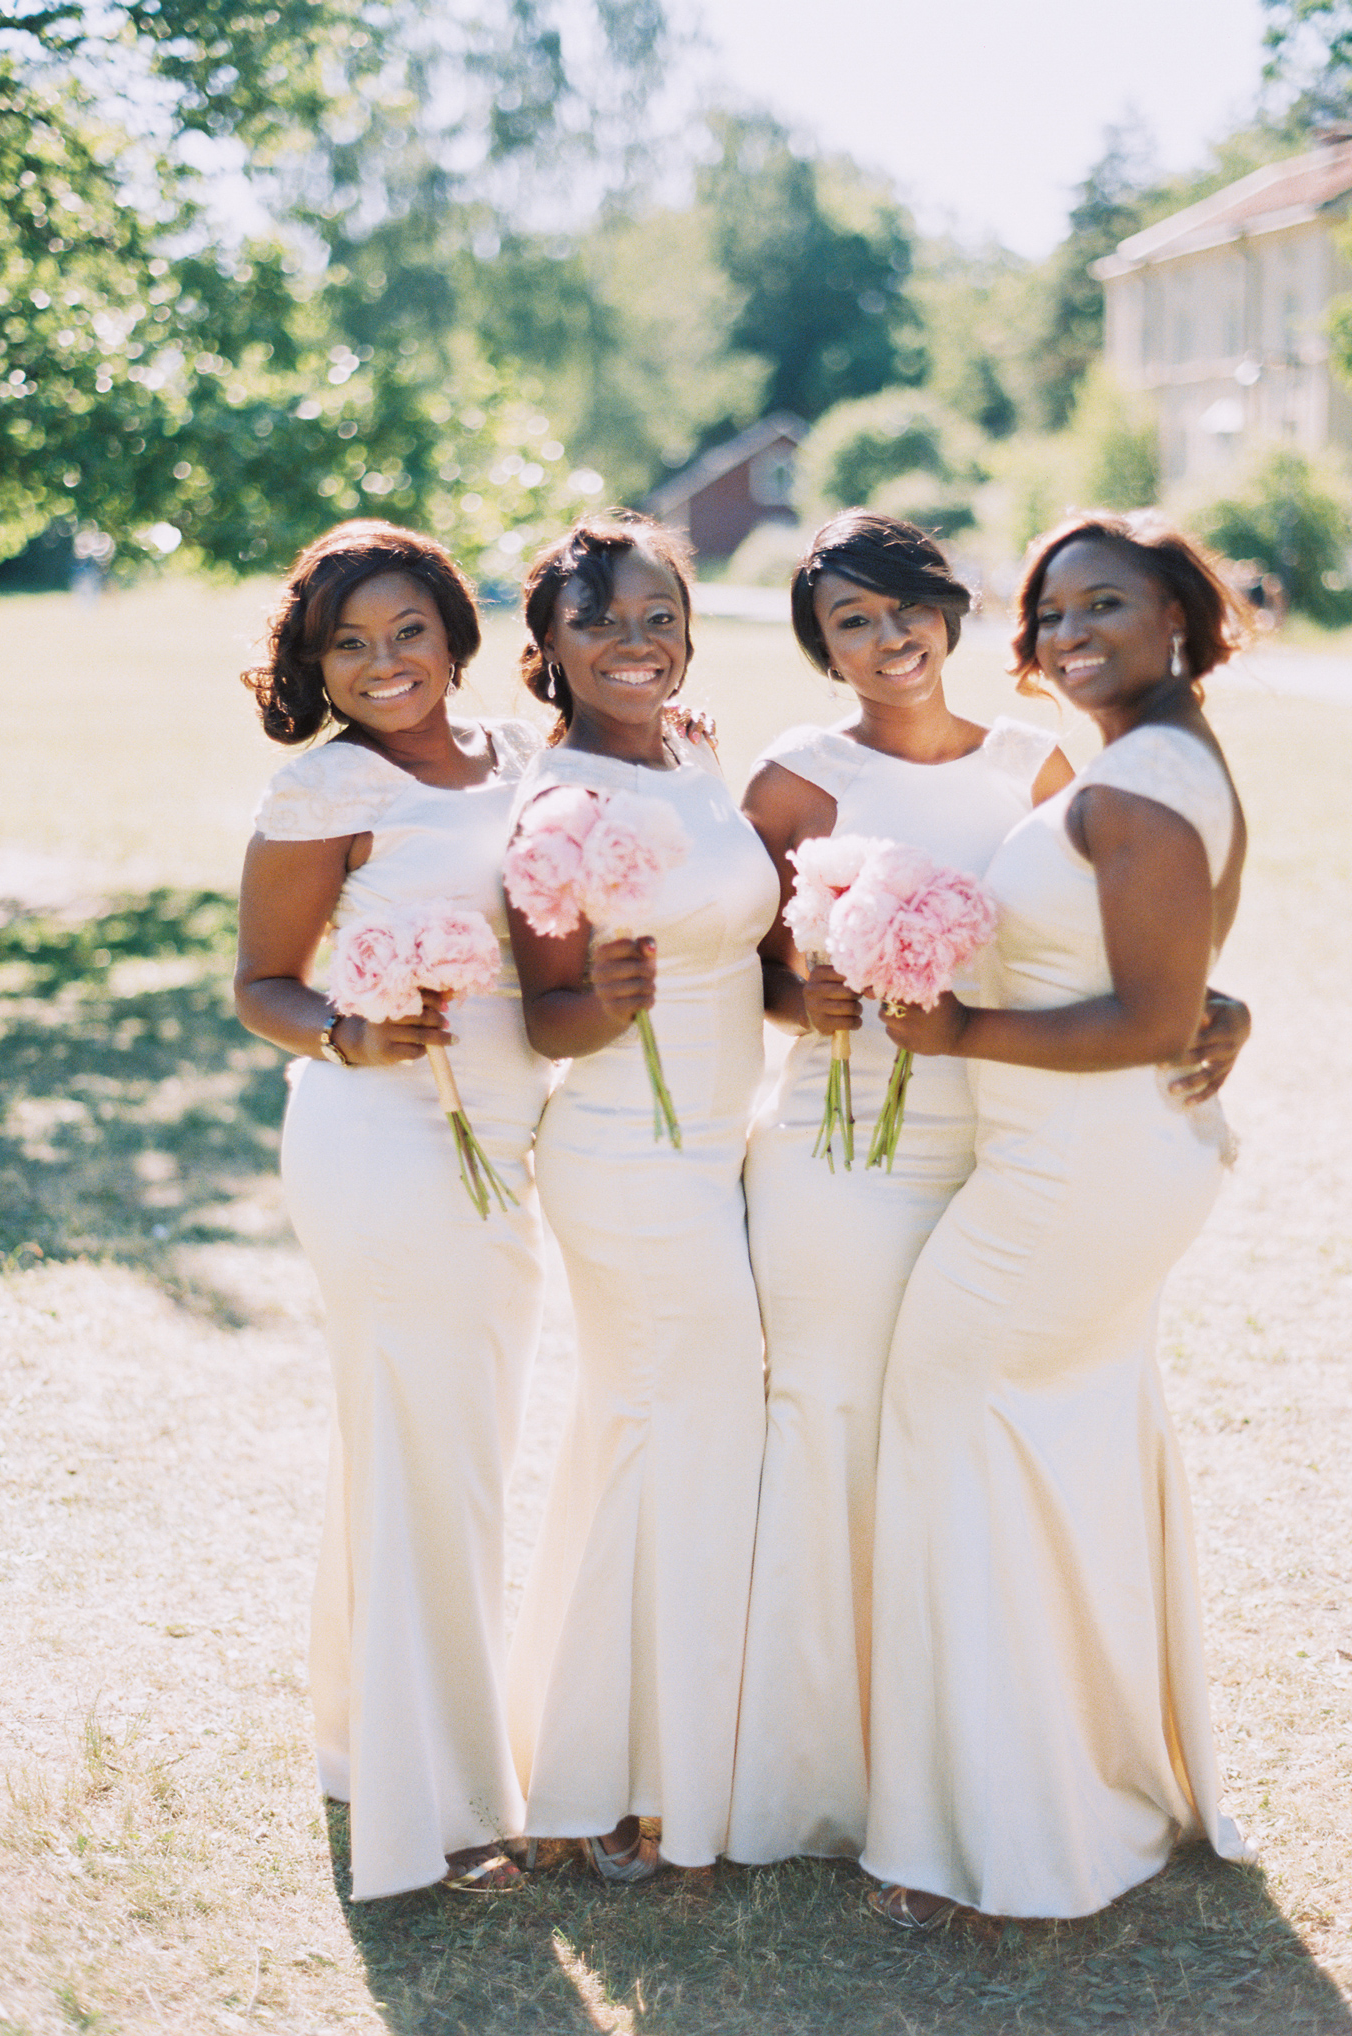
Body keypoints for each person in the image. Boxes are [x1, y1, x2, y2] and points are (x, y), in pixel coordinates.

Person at [726, 512, 1248, 1868]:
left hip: (1005, 1153)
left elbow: (1111, 952)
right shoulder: (794, 775)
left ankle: (994, 1777)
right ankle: (826, 1764)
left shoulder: (1055, 767)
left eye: (907, 605)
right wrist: (813, 990)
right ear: (820, 646)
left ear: (954, 618)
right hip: (850, 1148)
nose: (886, 635)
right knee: (841, 1422)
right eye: (850, 618)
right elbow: (735, 973)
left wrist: (1206, 1004)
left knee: (969, 1447)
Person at [235, 521, 551, 1901]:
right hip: (378, 1136)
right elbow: (262, 983)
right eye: (348, 644)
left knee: (451, 1448)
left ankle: (379, 1739)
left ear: (454, 630)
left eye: (407, 631)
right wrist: (349, 1034)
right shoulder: (323, 793)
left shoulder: (523, 759)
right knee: (423, 1447)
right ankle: (445, 1802)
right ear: (317, 662)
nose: (383, 664)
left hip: (505, 1144)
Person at [503, 512, 780, 1882]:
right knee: (691, 1419)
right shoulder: (557, 803)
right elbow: (549, 1023)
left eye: (658, 614)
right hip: (624, 1144)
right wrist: (596, 1004)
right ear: (549, 642)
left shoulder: (695, 752)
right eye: (602, 618)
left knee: (652, 1426)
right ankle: (628, 1780)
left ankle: (616, 1758)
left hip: (722, 1137)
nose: (635, 640)